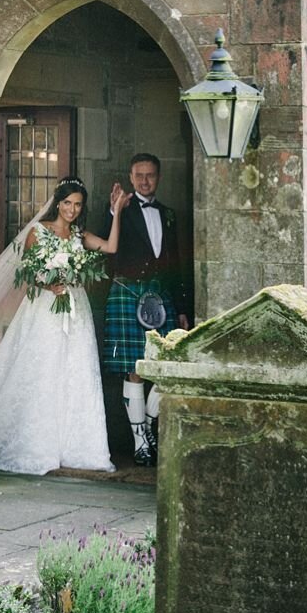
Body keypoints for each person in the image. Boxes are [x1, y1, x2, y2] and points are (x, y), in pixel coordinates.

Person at [0, 177, 126, 476]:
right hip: (46, 308)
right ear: (57, 202)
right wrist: (50, 284)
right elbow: (28, 273)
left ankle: (76, 447)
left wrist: (117, 212)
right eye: (67, 203)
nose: (72, 210)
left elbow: (111, 247)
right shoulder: (39, 232)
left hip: (76, 309)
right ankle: (37, 444)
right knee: (44, 369)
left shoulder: (79, 234)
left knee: (76, 370)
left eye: (77, 205)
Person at [102, 152, 192, 466]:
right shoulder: (120, 211)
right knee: (135, 368)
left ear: (159, 176)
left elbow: (177, 261)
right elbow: (108, 250)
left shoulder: (168, 214)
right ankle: (141, 442)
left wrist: (181, 306)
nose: (144, 180)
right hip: (128, 292)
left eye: (150, 175)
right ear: (130, 178)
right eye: (139, 175)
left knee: (167, 365)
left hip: (161, 294)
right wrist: (114, 210)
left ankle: (149, 424)